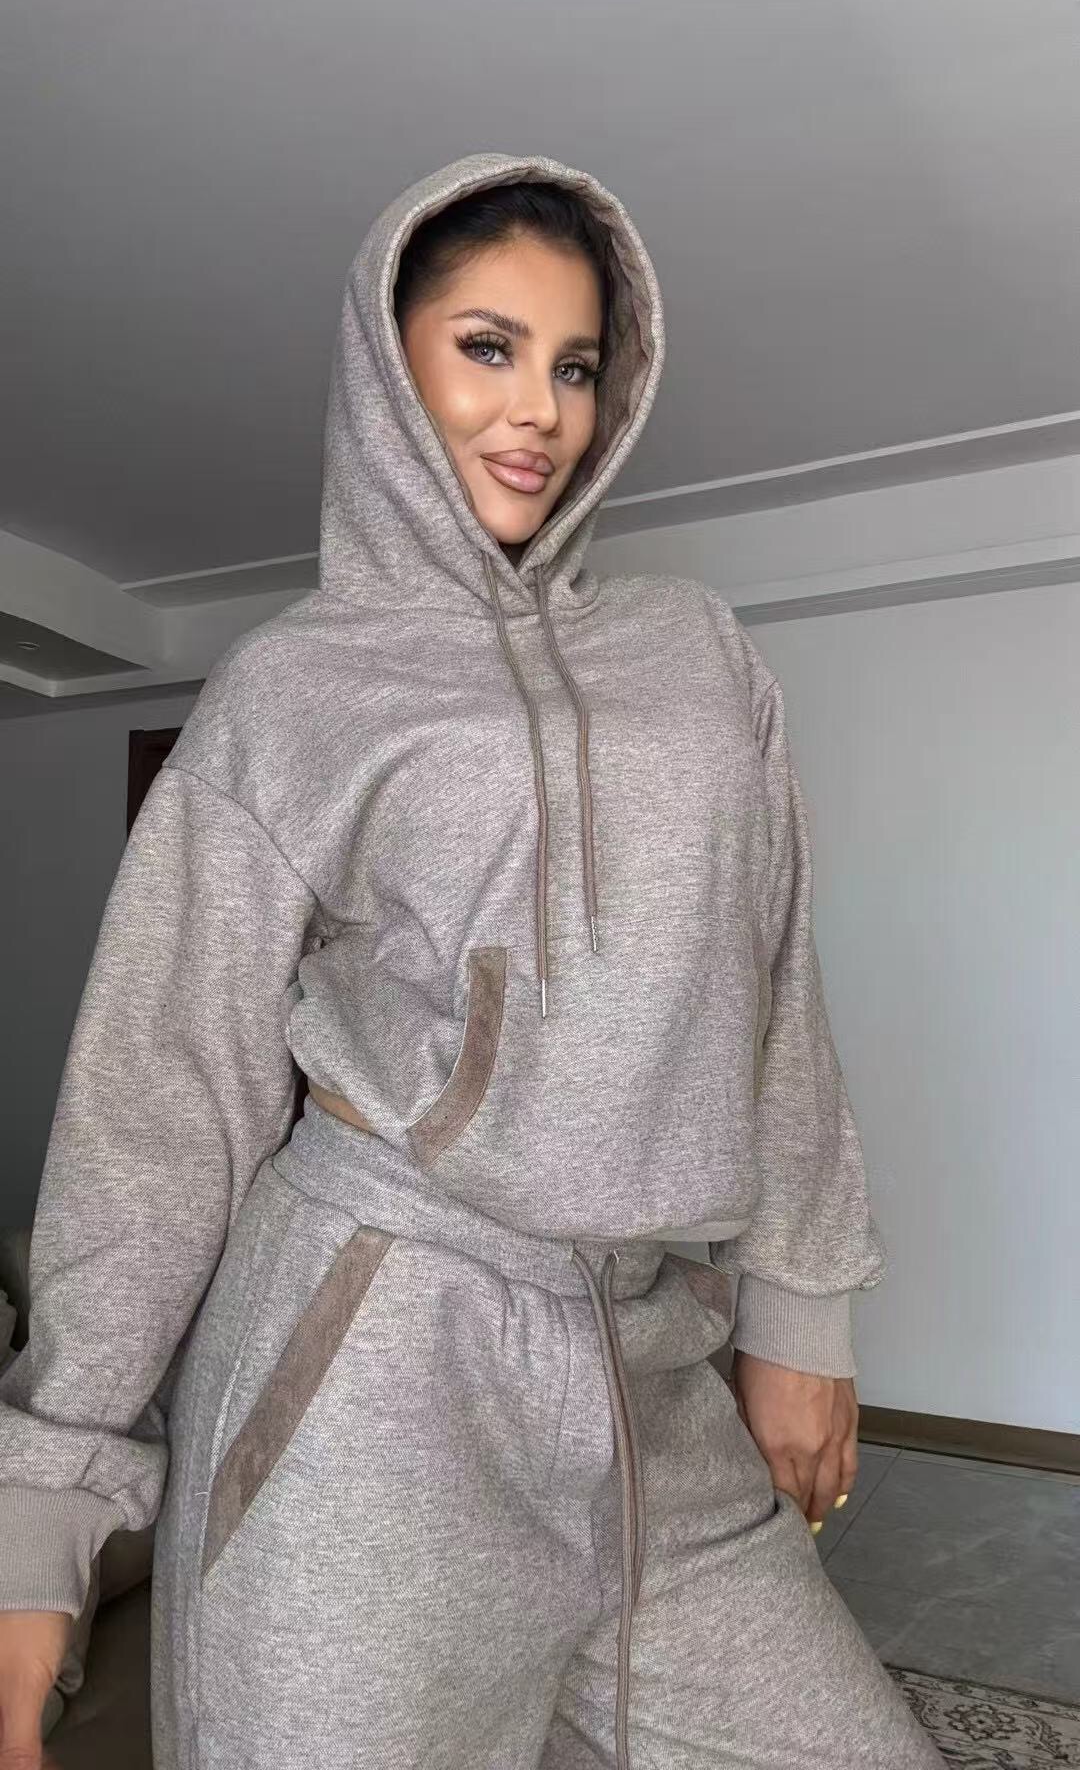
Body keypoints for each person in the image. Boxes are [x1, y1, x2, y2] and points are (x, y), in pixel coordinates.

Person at [0, 151, 945, 1770]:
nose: (540, 410)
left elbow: (775, 986)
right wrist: (44, 1507)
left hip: (644, 1362)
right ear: (389, 370)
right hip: (368, 1368)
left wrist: (801, 1311)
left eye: (576, 365)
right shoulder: (294, 689)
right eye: (487, 348)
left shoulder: (695, 652)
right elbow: (164, 1092)